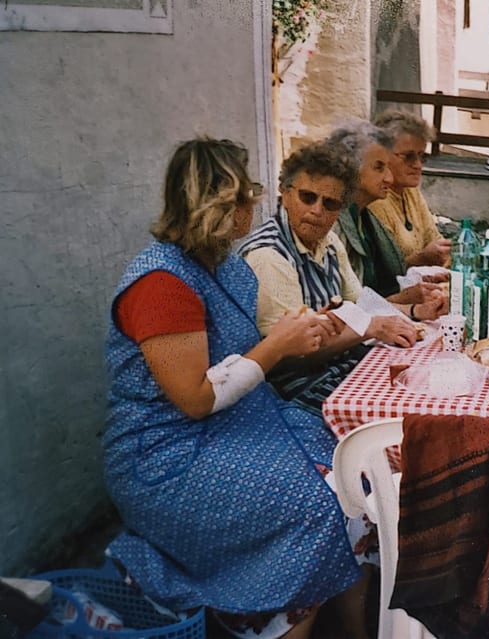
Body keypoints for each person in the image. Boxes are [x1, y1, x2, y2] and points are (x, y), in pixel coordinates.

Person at [103, 137, 360, 639]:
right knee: (313, 507)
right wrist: (278, 346)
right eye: (247, 194)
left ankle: (351, 629)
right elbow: (196, 399)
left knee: (350, 467)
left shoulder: (216, 265)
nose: (254, 205)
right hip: (165, 456)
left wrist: (300, 332)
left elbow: (235, 352)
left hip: (229, 426)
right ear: (221, 202)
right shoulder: (162, 284)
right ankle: (274, 619)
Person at [240, 139, 434, 420]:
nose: (317, 210)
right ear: (284, 192)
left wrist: (416, 311)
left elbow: (359, 306)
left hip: (335, 367)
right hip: (295, 389)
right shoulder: (270, 255)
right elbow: (291, 355)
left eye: (330, 204)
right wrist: (369, 328)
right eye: (308, 197)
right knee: (400, 416)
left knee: (419, 385)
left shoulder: (328, 241)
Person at [330, 120, 446, 310]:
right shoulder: (334, 223)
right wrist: (407, 303)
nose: (389, 178)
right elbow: (347, 307)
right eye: (379, 167)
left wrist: (412, 283)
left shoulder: (363, 215)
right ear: (350, 167)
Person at [369, 110, 451, 267]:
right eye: (409, 156)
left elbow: (433, 238)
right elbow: (382, 275)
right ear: (382, 155)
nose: (418, 165)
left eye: (421, 156)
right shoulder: (375, 199)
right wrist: (422, 258)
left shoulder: (410, 191)